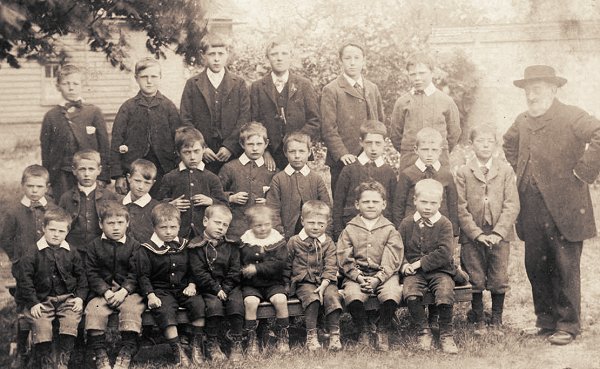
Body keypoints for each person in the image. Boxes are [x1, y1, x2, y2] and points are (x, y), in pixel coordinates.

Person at [503, 65, 600, 345]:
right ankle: (545, 320)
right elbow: (508, 144)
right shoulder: (522, 120)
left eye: (537, 89)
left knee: (564, 265)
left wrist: (583, 172)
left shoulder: (572, 115)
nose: (531, 95)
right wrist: (521, 170)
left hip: (565, 206)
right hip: (530, 205)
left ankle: (568, 325)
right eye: (527, 90)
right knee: (536, 264)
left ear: (553, 89)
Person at [456, 125, 520, 335]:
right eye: (480, 141)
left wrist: (498, 232)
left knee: (499, 276)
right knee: (474, 276)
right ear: (471, 144)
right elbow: (460, 206)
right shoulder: (464, 171)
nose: (485, 145)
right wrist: (476, 234)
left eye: (489, 141)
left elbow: (512, 204)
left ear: (495, 144)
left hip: (498, 235)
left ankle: (497, 319)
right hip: (472, 235)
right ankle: (478, 319)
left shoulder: (505, 170)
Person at [336, 181, 403, 351]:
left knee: (391, 293)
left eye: (375, 202)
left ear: (384, 204)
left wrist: (378, 279)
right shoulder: (350, 229)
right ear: (357, 204)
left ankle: (383, 329)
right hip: (356, 275)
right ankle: (363, 329)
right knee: (352, 295)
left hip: (384, 274)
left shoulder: (389, 229)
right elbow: (344, 256)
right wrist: (357, 276)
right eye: (366, 202)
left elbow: (393, 258)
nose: (371, 205)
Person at [136, 203, 206, 365]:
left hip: (184, 288)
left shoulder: (185, 245)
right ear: (154, 227)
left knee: (198, 304)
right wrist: (151, 295)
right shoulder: (146, 249)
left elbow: (193, 270)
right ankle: (177, 350)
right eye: (163, 227)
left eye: (173, 227)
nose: (168, 232)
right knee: (164, 310)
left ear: (179, 226)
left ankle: (196, 346)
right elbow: (143, 276)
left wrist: (192, 285)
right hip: (160, 290)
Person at [18, 207, 88, 369]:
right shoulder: (33, 252)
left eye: (61, 231)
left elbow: (82, 277)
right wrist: (33, 302)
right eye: (52, 230)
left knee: (70, 320)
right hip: (42, 301)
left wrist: (79, 297)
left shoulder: (72, 252)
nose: (56, 234)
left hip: (67, 299)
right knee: (41, 323)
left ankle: (64, 358)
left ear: (67, 232)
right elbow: (24, 281)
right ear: (43, 228)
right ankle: (46, 360)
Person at [0, 165, 56, 365]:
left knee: (45, 300)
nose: (34, 190)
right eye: (30, 186)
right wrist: (17, 258)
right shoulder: (15, 211)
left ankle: (46, 345)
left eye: (39, 186)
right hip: (23, 267)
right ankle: (22, 345)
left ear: (47, 187)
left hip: (47, 267)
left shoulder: (52, 207)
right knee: (24, 304)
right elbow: (6, 238)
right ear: (22, 185)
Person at [399, 179, 458, 354]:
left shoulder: (445, 224)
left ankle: (446, 333)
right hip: (414, 273)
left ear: (440, 203)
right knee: (410, 293)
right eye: (424, 202)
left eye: (433, 203)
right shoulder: (407, 224)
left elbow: (445, 252)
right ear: (415, 200)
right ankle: (423, 330)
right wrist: (404, 265)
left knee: (445, 291)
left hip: (440, 270)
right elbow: (398, 248)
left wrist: (419, 263)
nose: (428, 207)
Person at [85, 202, 145, 369]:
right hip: (103, 293)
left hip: (129, 292)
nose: (116, 228)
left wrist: (124, 291)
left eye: (120, 223)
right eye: (110, 223)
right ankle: (100, 352)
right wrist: (105, 291)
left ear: (127, 223)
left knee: (132, 309)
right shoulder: (94, 246)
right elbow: (91, 273)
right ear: (100, 224)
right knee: (94, 309)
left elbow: (136, 273)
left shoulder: (135, 246)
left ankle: (127, 349)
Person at [110, 57, 182, 196]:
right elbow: (116, 141)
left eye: (154, 76)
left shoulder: (168, 107)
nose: (149, 81)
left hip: (163, 169)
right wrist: (118, 175)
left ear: (160, 77)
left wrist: (177, 170)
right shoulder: (128, 107)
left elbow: (179, 140)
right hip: (134, 169)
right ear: (136, 78)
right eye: (144, 77)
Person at [180, 33, 250, 174]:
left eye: (221, 54)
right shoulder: (192, 84)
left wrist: (230, 147)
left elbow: (245, 117)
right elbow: (185, 119)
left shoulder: (239, 83)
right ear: (202, 55)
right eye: (212, 54)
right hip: (203, 155)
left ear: (227, 54)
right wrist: (201, 147)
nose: (217, 59)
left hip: (232, 154)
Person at [40, 64, 110, 201]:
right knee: (64, 206)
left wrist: (103, 177)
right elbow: (46, 152)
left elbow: (104, 146)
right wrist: (48, 180)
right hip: (61, 174)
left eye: (75, 83)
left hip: (88, 172)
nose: (71, 87)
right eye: (66, 83)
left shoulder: (93, 112)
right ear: (58, 86)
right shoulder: (51, 116)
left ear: (82, 85)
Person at [321, 41, 385, 189]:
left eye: (357, 58)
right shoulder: (331, 89)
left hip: (370, 154)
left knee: (370, 196)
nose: (352, 63)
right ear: (340, 61)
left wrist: (375, 147)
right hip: (344, 159)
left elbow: (380, 122)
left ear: (364, 60)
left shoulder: (372, 88)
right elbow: (328, 127)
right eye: (348, 58)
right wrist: (342, 153)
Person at [250, 38, 321, 170]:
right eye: (274, 54)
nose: (279, 58)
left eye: (284, 54)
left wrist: (298, 143)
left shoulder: (304, 85)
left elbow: (314, 120)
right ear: (267, 58)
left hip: (297, 154)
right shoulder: (257, 87)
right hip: (269, 155)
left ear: (291, 57)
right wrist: (264, 151)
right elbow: (254, 123)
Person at [189, 205, 244, 362]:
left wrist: (225, 288)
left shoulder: (231, 245)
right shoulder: (196, 246)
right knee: (214, 305)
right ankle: (213, 342)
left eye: (225, 225)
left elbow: (235, 270)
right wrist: (216, 289)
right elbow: (199, 272)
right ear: (206, 221)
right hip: (208, 286)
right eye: (217, 222)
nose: (221, 228)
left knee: (236, 302)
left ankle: (237, 342)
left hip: (229, 285)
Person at [389, 53, 461, 171]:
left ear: (432, 72)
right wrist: (410, 150)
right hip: (410, 161)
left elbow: (454, 133)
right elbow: (395, 135)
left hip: (439, 162)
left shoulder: (446, 101)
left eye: (422, 73)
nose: (417, 78)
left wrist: (437, 151)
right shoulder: (402, 102)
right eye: (413, 74)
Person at [287, 200, 343, 351]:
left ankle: (334, 334)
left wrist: (325, 284)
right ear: (302, 220)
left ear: (327, 223)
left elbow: (331, 265)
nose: (316, 227)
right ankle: (311, 335)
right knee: (312, 298)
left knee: (332, 296)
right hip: (304, 281)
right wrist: (286, 285)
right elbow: (287, 265)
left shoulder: (329, 243)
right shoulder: (294, 242)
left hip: (326, 281)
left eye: (321, 224)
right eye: (311, 223)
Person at [158, 126, 228, 239]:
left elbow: (224, 205)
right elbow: (158, 204)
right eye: (187, 152)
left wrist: (210, 201)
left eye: (196, 151)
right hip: (178, 235)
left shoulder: (212, 178)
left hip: (204, 235)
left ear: (204, 149)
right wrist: (171, 205)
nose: (192, 157)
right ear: (178, 153)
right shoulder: (170, 177)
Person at [239, 205, 290, 355]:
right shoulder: (245, 242)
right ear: (250, 225)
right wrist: (243, 271)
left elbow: (279, 264)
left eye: (267, 224)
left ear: (272, 224)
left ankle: (283, 337)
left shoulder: (278, 241)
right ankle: (251, 339)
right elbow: (240, 263)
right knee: (250, 302)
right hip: (252, 285)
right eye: (258, 225)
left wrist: (257, 268)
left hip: (273, 283)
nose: (263, 229)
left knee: (280, 299)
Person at [332, 120, 396, 239]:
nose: (373, 148)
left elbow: (393, 206)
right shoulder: (349, 170)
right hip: (351, 230)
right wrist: (339, 234)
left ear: (385, 143)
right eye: (369, 143)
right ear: (361, 142)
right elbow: (338, 204)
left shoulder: (389, 172)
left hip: (380, 232)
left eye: (378, 143)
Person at [392, 127, 458, 235]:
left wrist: (453, 232)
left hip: (439, 229)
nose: (429, 154)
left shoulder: (446, 175)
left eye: (434, 150)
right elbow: (399, 205)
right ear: (416, 149)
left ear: (440, 151)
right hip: (413, 229)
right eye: (425, 149)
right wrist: (400, 230)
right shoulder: (407, 174)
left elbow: (452, 205)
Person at [266, 132, 331, 239]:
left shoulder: (316, 179)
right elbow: (272, 210)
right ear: (285, 153)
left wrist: (325, 234)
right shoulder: (279, 179)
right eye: (292, 151)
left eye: (301, 151)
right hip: (286, 235)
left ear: (309, 152)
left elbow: (326, 208)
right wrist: (280, 234)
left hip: (314, 234)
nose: (297, 156)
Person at [218, 122, 276, 240]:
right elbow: (215, 194)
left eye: (259, 144)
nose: (255, 148)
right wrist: (231, 198)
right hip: (235, 230)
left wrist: (268, 201)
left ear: (266, 144)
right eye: (250, 144)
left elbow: (279, 198)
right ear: (242, 144)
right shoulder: (230, 168)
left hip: (262, 232)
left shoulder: (272, 170)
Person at [58, 149, 120, 260]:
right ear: (74, 171)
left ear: (99, 170)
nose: (87, 174)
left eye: (91, 169)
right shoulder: (66, 198)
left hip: (101, 251)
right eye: (82, 169)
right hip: (74, 250)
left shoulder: (109, 197)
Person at [122, 159, 160, 243]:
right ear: (128, 178)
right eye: (137, 181)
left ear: (153, 183)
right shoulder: (119, 204)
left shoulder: (156, 208)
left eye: (147, 183)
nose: (141, 187)